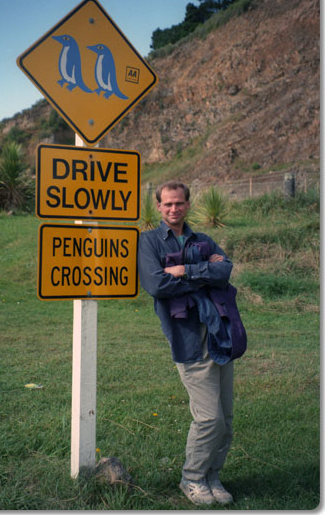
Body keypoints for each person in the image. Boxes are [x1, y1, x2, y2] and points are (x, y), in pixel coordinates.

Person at [138, 180, 239, 506]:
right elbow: (157, 284)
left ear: (188, 204)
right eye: (167, 204)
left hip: (219, 335)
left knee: (225, 418)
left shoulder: (203, 239)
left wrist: (183, 270)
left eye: (179, 203)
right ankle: (192, 478)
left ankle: (212, 477)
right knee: (209, 417)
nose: (173, 209)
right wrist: (201, 273)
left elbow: (224, 271)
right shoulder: (149, 242)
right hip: (188, 339)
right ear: (159, 206)